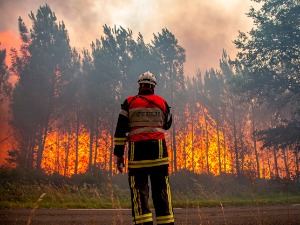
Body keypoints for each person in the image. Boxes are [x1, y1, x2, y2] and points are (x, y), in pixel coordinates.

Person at [114, 71, 174, 225]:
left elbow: (120, 131)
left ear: (139, 86)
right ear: (153, 86)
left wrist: (119, 154)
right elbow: (167, 125)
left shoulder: (129, 102)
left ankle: (143, 223)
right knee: (161, 191)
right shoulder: (162, 102)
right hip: (159, 154)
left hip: (137, 154)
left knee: (139, 192)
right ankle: (166, 222)